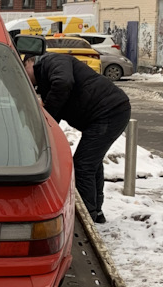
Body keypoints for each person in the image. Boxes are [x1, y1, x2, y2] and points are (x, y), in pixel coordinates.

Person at [27, 38, 131, 224]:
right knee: (91, 163)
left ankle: (85, 219)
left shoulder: (53, 61)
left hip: (109, 111)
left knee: (83, 165)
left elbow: (63, 83)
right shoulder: (44, 78)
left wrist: (48, 113)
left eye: (23, 72)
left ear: (30, 61)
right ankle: (96, 212)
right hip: (106, 113)